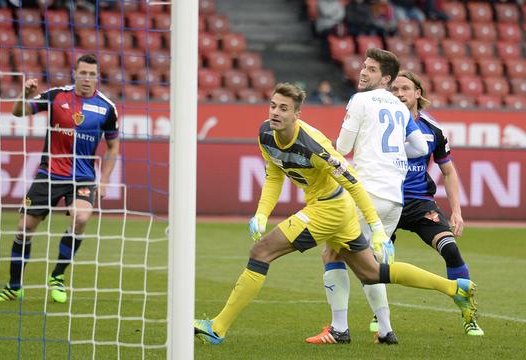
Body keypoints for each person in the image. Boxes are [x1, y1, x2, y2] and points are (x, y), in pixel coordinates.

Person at [193, 82, 477, 345]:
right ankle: (455, 289)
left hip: (328, 209)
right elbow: (274, 175)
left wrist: (377, 228)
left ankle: (217, 327)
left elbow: (353, 183)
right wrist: (261, 213)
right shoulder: (265, 133)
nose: (275, 113)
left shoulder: (315, 147)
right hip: (334, 210)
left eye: (283, 108)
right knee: (373, 272)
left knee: (261, 252)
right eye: (273, 106)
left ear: (297, 115)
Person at [306, 48, 428, 345]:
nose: (363, 71)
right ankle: (385, 330)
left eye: (371, 69)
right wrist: (394, 156)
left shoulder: (360, 100)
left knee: (331, 252)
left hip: (367, 192)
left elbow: (344, 146)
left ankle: (338, 329)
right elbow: (421, 148)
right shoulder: (400, 107)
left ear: (385, 78)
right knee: (369, 264)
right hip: (393, 198)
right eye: (363, 66)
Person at [0, 54, 120, 303]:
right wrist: (24, 94)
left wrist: (103, 181)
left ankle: (57, 276)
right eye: (83, 73)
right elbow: (18, 113)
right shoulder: (57, 95)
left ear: (98, 77)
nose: (87, 78)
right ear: (75, 73)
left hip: (82, 177)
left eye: (92, 74)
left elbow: (113, 147)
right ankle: (14, 287)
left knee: (81, 217)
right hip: (49, 173)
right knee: (24, 227)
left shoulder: (106, 108)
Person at [390, 71, 484, 336]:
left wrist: (457, 211)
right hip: (387, 202)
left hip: (420, 203)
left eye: (405, 88)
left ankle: (468, 314)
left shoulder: (433, 130)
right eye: (394, 89)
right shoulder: (381, 126)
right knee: (378, 261)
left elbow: (449, 172)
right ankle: (380, 318)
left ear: (418, 92)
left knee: (451, 250)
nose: (399, 94)